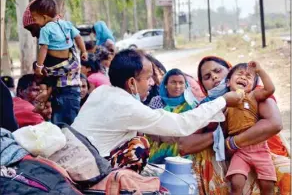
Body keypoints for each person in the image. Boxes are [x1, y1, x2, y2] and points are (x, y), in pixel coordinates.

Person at [71, 49, 243, 173]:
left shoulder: (101, 92)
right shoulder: (127, 106)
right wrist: (222, 101)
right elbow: (182, 124)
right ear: (132, 83)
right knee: (140, 146)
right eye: (148, 78)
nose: (153, 83)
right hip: (89, 171)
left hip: (76, 160)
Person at [179, 56, 290, 194]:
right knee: (211, 161)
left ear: (230, 72)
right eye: (207, 77)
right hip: (233, 158)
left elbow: (274, 124)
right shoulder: (207, 106)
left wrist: (233, 142)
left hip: (264, 152)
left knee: (283, 173)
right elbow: (184, 145)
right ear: (203, 85)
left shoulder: (254, 93)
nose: (214, 77)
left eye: (217, 71)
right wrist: (217, 135)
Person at [29, 0, 87, 125]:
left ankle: (42, 100)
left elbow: (43, 48)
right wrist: (84, 51)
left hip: (55, 65)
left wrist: (39, 65)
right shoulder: (66, 24)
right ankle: (43, 99)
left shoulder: (45, 29)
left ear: (44, 17)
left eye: (35, 18)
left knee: (45, 77)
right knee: (48, 81)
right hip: (66, 63)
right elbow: (78, 37)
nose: (35, 22)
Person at [224, 62, 276, 194]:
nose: (243, 77)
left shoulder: (253, 96)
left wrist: (260, 70)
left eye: (249, 76)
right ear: (228, 82)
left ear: (253, 86)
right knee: (236, 182)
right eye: (240, 74)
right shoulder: (225, 102)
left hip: (259, 147)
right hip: (239, 151)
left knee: (268, 184)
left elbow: (270, 89)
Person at [147, 68, 198, 164]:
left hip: (184, 148)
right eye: (173, 82)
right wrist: (162, 136)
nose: (177, 86)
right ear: (165, 84)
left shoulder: (190, 102)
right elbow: (149, 126)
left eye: (181, 83)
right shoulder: (157, 101)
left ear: (185, 85)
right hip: (159, 147)